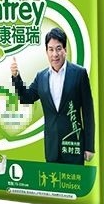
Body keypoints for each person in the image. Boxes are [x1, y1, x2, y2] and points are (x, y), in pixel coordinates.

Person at [9, 27, 95, 165]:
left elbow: (88, 112)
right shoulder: (41, 77)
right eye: (51, 49)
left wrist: (89, 146)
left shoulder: (79, 74)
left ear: (65, 50)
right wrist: (16, 77)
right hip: (52, 147)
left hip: (73, 145)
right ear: (46, 52)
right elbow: (26, 98)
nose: (55, 54)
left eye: (58, 48)